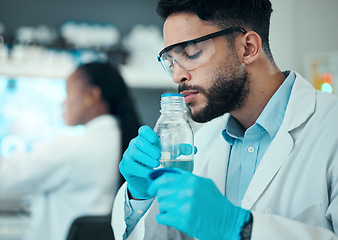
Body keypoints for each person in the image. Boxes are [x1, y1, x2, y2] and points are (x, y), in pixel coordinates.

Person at [111, 0, 338, 239]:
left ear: (247, 48)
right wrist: (139, 198)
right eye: (171, 61)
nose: (178, 75)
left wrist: (241, 228)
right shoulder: (202, 143)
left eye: (191, 53)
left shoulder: (330, 127)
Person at [0, 62, 140, 240]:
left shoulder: (72, 148)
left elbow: (5, 175)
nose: (63, 103)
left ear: (92, 95)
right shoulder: (126, 140)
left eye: (68, 93)